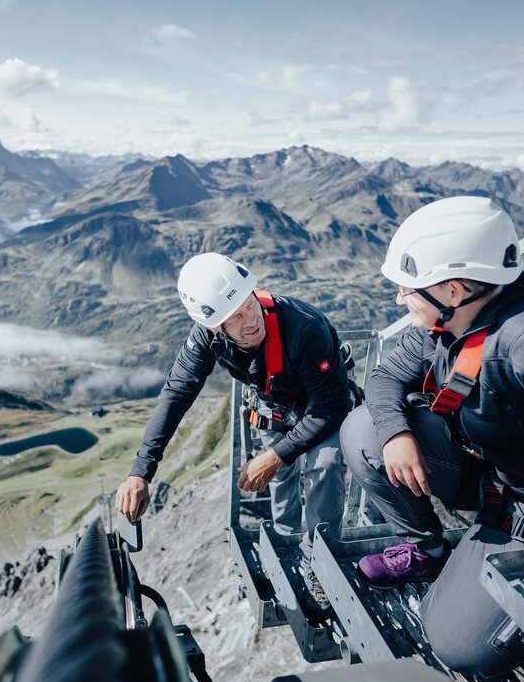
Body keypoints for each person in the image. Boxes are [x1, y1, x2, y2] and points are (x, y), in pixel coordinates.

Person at [340, 196, 524, 682]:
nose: (398, 298)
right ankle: (429, 550)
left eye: (408, 288)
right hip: (504, 482)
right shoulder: (451, 319)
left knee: (462, 648)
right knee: (365, 428)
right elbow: (386, 379)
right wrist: (395, 435)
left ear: (453, 289)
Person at [115, 252, 352, 613]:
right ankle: (288, 542)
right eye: (235, 317)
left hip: (323, 406)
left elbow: (331, 408)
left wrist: (276, 455)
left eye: (249, 304)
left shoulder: (304, 327)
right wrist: (140, 471)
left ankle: (320, 561)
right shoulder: (207, 337)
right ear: (214, 327)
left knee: (325, 466)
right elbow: (176, 394)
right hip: (278, 407)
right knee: (281, 480)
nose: (251, 319)